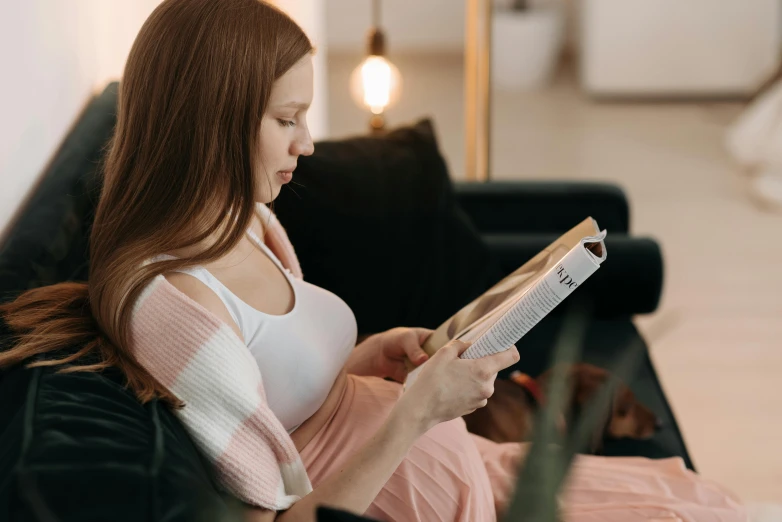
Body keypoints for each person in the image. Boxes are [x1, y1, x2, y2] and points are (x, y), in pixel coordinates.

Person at [0, 1, 747, 521]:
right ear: (213, 121)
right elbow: (281, 515)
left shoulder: (245, 219)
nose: (308, 144)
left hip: (457, 467)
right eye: (287, 120)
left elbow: (284, 392)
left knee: (702, 504)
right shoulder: (174, 306)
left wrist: (369, 359)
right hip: (412, 491)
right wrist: (421, 407)